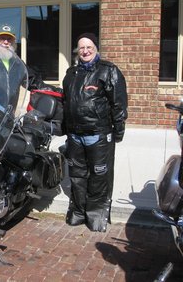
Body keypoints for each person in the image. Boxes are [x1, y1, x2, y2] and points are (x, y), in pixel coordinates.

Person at [62, 32, 128, 232]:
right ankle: (78, 212)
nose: (85, 50)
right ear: (77, 50)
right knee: (77, 175)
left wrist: (118, 130)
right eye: (81, 47)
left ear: (96, 48)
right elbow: (66, 102)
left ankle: (96, 216)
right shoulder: (70, 74)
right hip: (75, 136)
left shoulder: (108, 71)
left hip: (98, 135)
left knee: (99, 176)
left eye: (89, 46)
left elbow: (119, 104)